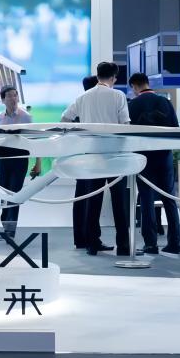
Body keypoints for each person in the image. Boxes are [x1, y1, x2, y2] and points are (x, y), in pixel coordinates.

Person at [70, 62, 131, 256]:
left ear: (97, 76)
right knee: (119, 203)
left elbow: (65, 118)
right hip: (114, 156)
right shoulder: (118, 95)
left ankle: (92, 244)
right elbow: (125, 125)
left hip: (92, 156)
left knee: (92, 201)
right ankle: (123, 246)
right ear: (113, 78)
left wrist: (81, 136)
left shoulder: (83, 97)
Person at [128, 73, 180, 256]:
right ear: (147, 83)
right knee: (169, 199)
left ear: (135, 86)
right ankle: (174, 243)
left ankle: (151, 244)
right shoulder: (165, 102)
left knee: (146, 200)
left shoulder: (132, 105)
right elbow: (175, 129)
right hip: (164, 156)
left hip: (143, 158)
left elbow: (127, 133)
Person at [0, 86, 42, 236]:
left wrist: (38, 163)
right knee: (4, 193)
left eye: (15, 95)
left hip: (20, 160)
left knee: (15, 193)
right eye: (9, 96)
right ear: (3, 100)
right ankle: (6, 224)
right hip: (3, 160)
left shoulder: (26, 117)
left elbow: (35, 141)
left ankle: (10, 229)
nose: (13, 99)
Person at [66, 75, 98, 250]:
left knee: (81, 198)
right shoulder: (91, 106)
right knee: (90, 199)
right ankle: (89, 238)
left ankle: (80, 238)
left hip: (79, 157)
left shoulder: (79, 104)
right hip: (91, 157)